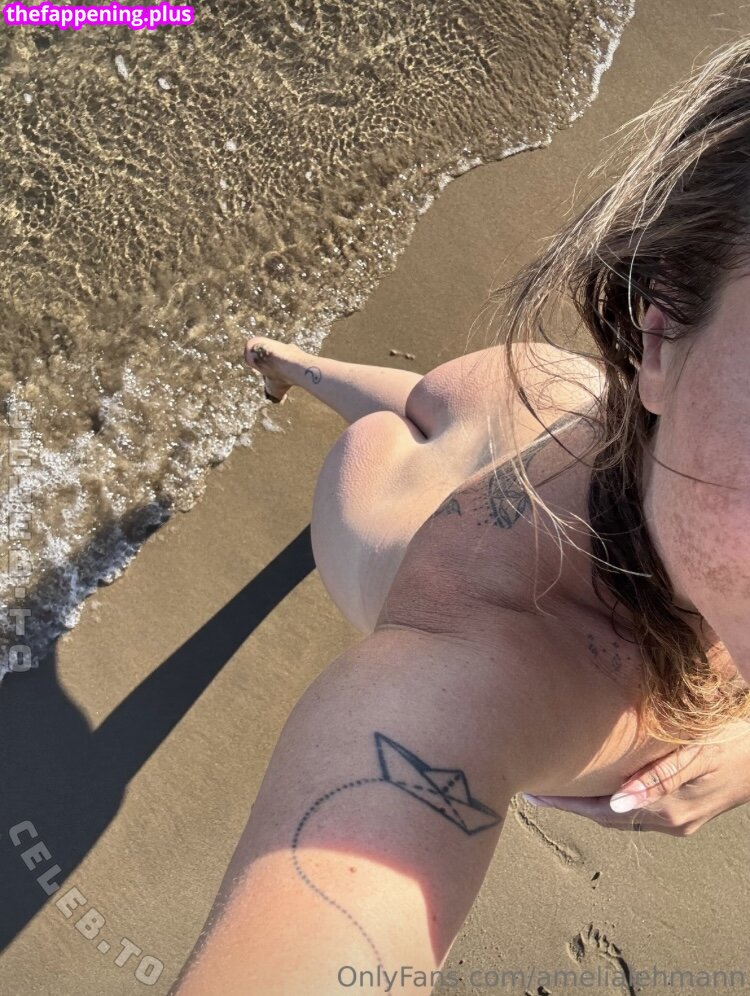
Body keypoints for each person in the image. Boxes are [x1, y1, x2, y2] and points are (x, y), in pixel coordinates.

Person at [170, 37, 750, 996]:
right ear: (658, 338)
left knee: (414, 404)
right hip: (379, 513)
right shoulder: (468, 674)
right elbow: (398, 757)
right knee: (395, 427)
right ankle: (294, 369)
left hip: (541, 399)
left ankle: (286, 363)